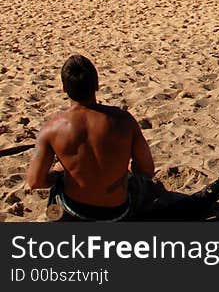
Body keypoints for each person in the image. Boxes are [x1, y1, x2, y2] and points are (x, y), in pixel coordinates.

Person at [27, 54, 155, 221]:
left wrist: (59, 174)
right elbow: (147, 170)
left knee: (57, 183)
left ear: (64, 88)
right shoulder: (124, 120)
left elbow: (35, 181)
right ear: (97, 84)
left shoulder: (51, 129)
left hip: (75, 209)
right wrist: (126, 169)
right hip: (118, 211)